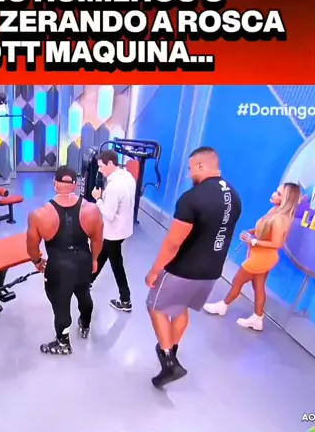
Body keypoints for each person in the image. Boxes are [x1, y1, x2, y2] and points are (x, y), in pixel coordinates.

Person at [145, 147, 242, 388]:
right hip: (212, 271)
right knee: (180, 308)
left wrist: (155, 270)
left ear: (201, 165)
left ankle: (168, 361)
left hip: (184, 270)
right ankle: (173, 347)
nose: (189, 174)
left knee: (155, 306)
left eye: (190, 169)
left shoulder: (192, 198)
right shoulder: (234, 196)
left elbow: (173, 242)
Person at [27, 165, 103, 355]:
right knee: (84, 293)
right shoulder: (92, 210)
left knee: (60, 304)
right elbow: (97, 240)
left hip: (59, 266)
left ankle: (62, 342)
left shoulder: (39, 215)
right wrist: (94, 259)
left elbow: (32, 247)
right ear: (75, 185)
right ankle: (85, 324)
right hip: (83, 261)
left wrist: (37, 261)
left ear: (55, 183)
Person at [204, 181, 301, 331]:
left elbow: (277, 244)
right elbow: (263, 229)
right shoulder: (274, 211)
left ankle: (223, 305)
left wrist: (254, 241)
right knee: (258, 287)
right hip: (262, 256)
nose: (273, 194)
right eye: (276, 191)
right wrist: (251, 233)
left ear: (286, 200)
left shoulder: (280, 219)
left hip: (262, 258)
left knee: (238, 281)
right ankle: (257, 318)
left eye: (279, 194)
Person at [91, 149, 136, 311]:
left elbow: (108, 214)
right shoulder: (128, 176)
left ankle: (125, 299)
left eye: (101, 166)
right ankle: (89, 280)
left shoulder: (114, 186)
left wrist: (98, 199)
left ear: (110, 163)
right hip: (123, 228)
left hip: (113, 231)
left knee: (116, 264)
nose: (99, 170)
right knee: (103, 254)